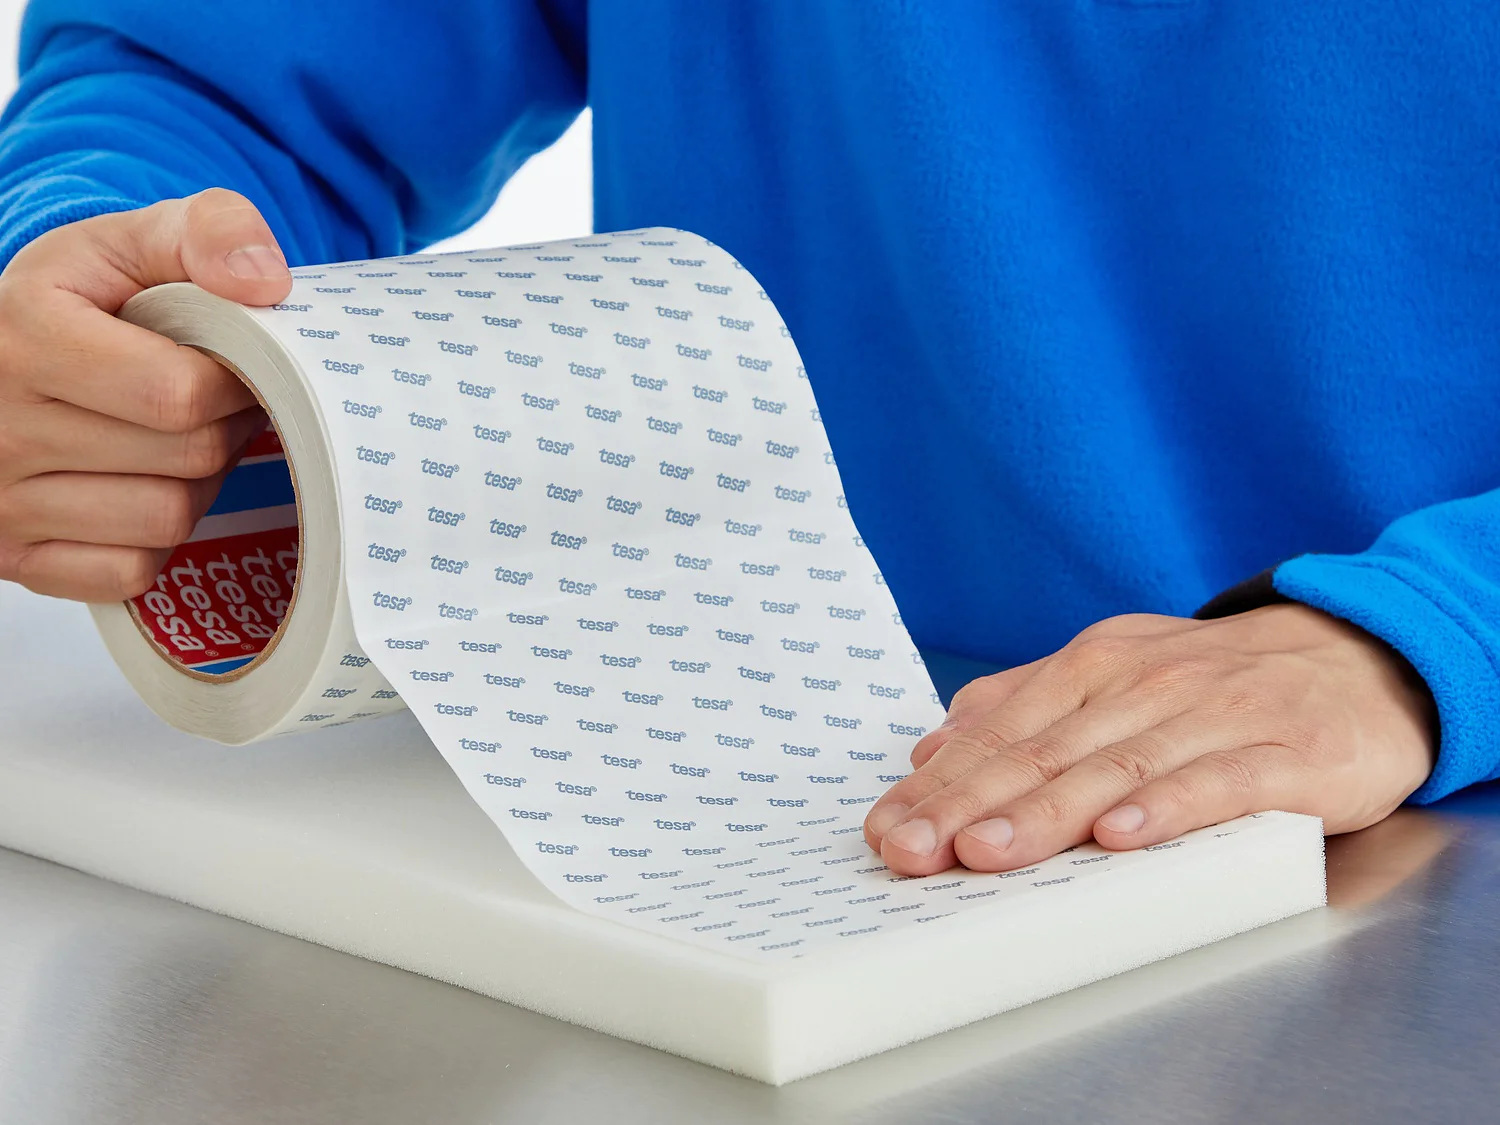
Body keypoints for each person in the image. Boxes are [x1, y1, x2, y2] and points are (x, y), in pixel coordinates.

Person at [0, 1, 1482, 881]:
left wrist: (1433, 635)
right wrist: (93, 271)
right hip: (766, 796)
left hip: (1423, 840)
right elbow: (223, 75)